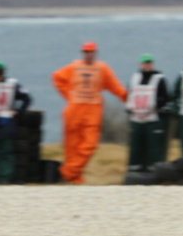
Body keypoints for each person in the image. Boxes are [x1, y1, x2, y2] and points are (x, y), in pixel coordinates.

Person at [50, 41, 127, 184]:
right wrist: (69, 95)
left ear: (95, 53)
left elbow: (116, 87)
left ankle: (67, 172)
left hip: (92, 111)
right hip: (74, 110)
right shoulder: (74, 67)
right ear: (82, 53)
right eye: (85, 52)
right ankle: (75, 178)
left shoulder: (102, 69)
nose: (88, 54)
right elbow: (57, 77)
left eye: (90, 52)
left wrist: (127, 98)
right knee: (71, 147)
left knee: (90, 144)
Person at [125, 53, 170, 172]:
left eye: (149, 63)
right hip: (136, 119)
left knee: (153, 148)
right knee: (135, 148)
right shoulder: (134, 77)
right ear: (141, 64)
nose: (147, 65)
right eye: (145, 63)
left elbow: (165, 97)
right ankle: (133, 172)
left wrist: (157, 106)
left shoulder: (159, 78)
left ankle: (154, 172)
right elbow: (129, 94)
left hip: (153, 119)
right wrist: (129, 108)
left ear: (153, 64)